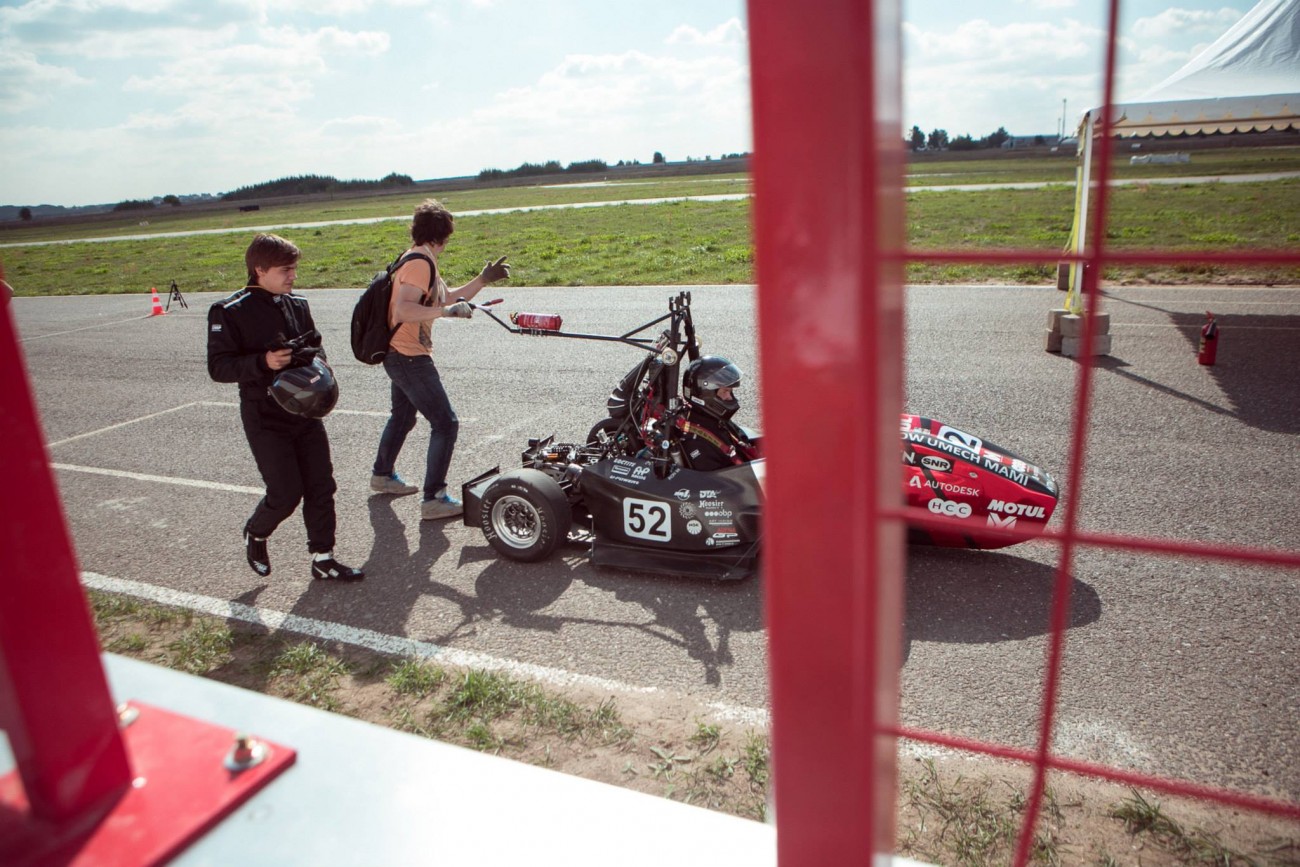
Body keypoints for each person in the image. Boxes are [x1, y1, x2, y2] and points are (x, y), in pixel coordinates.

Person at [207, 233, 364, 581]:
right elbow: (218, 368)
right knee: (285, 493)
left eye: (294, 268)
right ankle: (257, 532)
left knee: (322, 485)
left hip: (306, 410)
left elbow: (317, 346)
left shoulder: (298, 304)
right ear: (260, 270)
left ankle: (323, 558)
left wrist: (320, 366)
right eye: (285, 270)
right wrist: (262, 362)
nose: (293, 276)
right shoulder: (229, 311)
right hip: (264, 416)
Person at [370, 199, 510, 519]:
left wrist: (482, 280)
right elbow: (403, 310)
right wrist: (446, 313)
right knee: (446, 423)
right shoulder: (419, 263)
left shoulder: (419, 257)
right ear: (442, 236)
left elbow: (446, 297)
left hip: (399, 352)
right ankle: (433, 498)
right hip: (408, 355)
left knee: (403, 417)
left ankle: (382, 474)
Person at [677, 355, 759, 471]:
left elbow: (744, 441)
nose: (730, 397)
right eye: (725, 391)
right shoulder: (699, 444)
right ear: (706, 394)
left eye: (730, 391)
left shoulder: (715, 419)